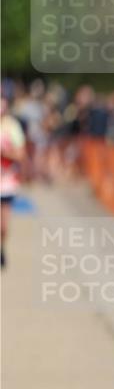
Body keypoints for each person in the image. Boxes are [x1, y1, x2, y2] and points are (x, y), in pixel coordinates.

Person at [1, 95, 26, 269]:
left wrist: (5, 152)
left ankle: (2, 248)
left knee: (3, 226)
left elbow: (21, 154)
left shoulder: (11, 126)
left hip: (7, 181)